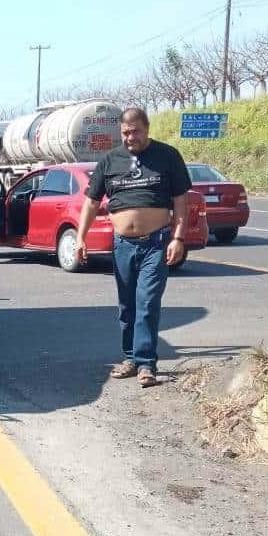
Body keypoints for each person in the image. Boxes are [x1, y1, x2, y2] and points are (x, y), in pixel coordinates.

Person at [77, 107, 190, 388]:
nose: (131, 138)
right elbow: (91, 203)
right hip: (123, 244)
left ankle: (146, 364)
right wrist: (80, 238)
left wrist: (178, 238)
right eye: (126, 133)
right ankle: (130, 358)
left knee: (147, 302)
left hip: (156, 242)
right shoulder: (110, 160)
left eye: (136, 131)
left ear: (147, 128)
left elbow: (180, 202)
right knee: (127, 304)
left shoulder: (167, 156)